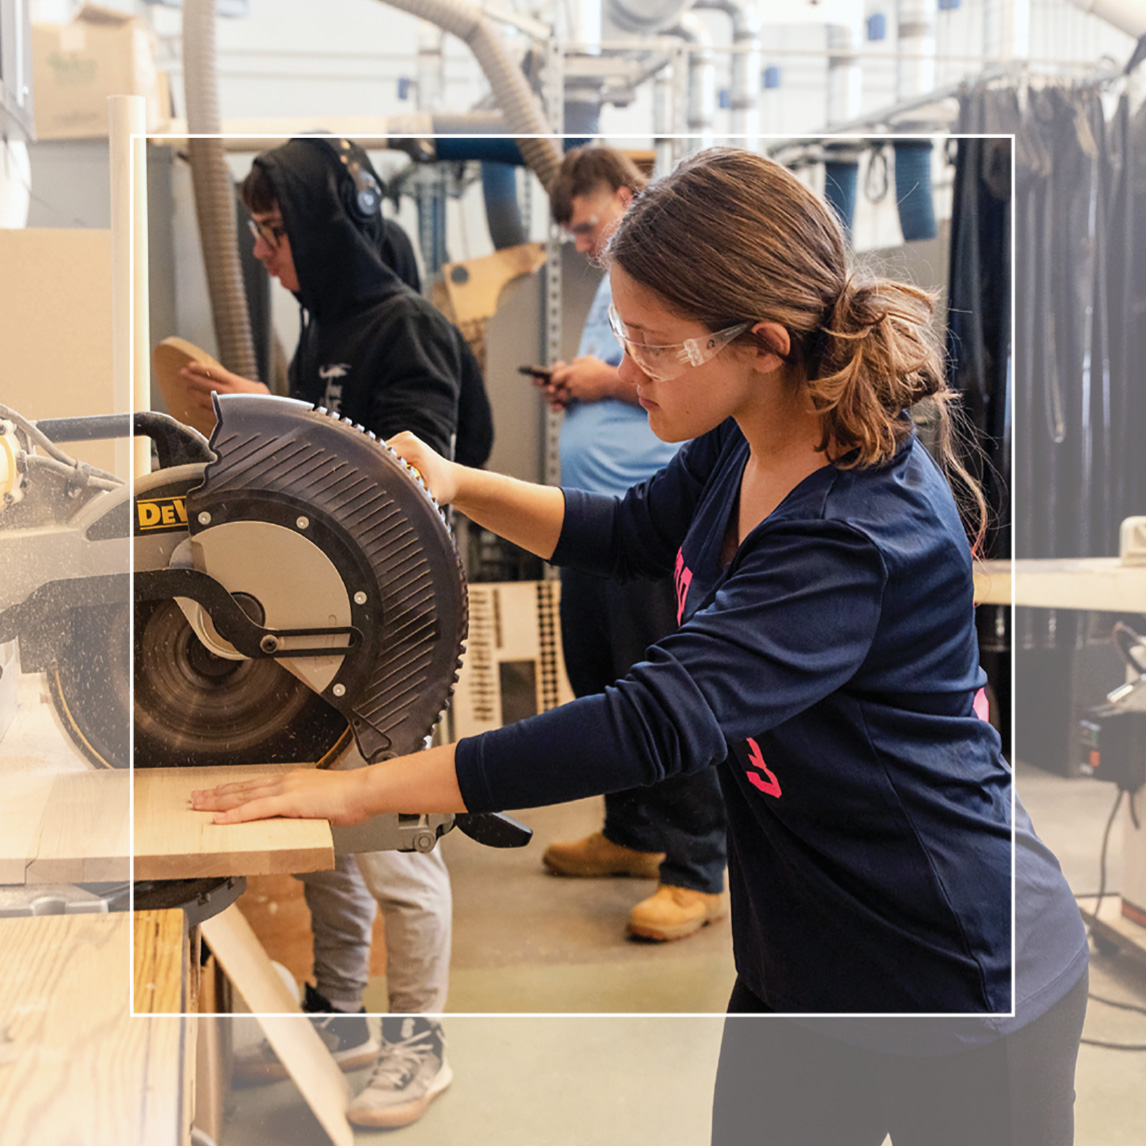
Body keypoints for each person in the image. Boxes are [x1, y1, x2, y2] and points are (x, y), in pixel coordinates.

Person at [192, 148, 1088, 1144]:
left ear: (761, 341)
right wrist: (453, 481)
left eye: (655, 347)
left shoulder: (851, 533)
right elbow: (623, 533)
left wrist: (363, 786)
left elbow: (648, 724)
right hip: (804, 954)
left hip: (953, 971)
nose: (625, 369)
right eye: (624, 332)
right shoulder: (744, 432)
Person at [181, 136, 490, 1130]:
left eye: (275, 231)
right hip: (325, 625)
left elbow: (410, 489)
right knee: (328, 829)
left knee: (397, 841)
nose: (265, 252)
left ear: (322, 222)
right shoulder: (325, 331)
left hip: (396, 628)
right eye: (259, 233)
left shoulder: (407, 328)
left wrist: (277, 429)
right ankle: (342, 1015)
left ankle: (420, 1043)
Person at [539, 146, 727, 941]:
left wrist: (602, 381)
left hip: (653, 522)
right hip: (600, 520)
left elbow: (674, 370)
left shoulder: (674, 272)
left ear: (626, 194)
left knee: (665, 691)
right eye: (575, 236)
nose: (583, 244)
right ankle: (633, 833)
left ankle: (698, 867)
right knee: (600, 681)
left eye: (589, 225)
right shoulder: (610, 282)